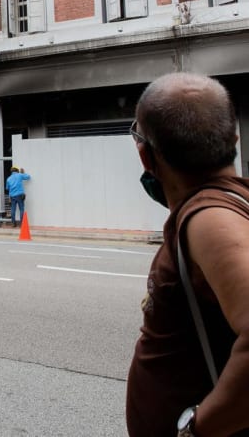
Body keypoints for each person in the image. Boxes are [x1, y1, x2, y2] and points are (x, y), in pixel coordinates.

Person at [126, 73, 249, 437]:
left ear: (145, 154)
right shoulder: (231, 202)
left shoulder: (210, 217)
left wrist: (198, 428)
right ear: (234, 140)